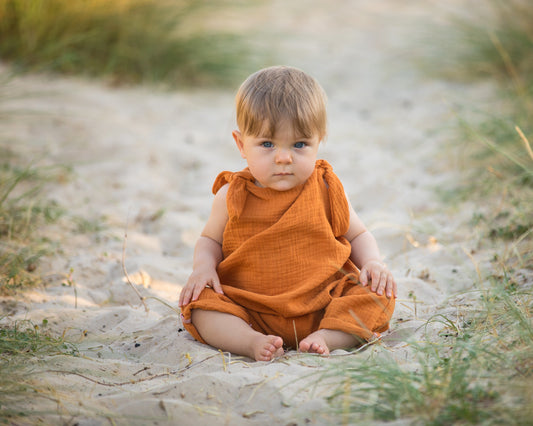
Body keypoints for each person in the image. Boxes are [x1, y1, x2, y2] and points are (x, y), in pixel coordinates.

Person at [179, 65, 396, 361]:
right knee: (200, 306)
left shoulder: (327, 187)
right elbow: (210, 240)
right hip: (250, 309)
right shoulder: (231, 194)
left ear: (319, 140)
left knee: (379, 294)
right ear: (242, 144)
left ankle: (329, 337)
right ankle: (250, 342)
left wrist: (372, 262)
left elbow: (357, 232)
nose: (284, 157)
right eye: (267, 144)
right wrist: (203, 267)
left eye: (299, 144)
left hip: (324, 305)